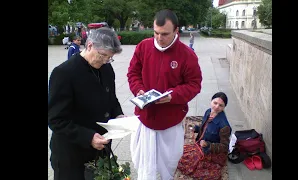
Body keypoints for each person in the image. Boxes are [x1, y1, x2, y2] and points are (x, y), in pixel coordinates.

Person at [127, 9, 202, 180]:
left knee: (168, 166)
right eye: (156, 33)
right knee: (144, 168)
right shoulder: (143, 46)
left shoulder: (187, 55)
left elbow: (194, 84)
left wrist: (172, 96)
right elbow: (133, 73)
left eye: (165, 34)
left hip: (170, 121)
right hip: (145, 118)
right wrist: (138, 89)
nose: (159, 38)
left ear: (176, 31)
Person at [48, 27, 125, 180]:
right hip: (71, 152)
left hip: (99, 149)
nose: (105, 61)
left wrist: (119, 114)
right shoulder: (64, 73)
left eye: (110, 58)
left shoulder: (107, 69)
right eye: (103, 55)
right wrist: (88, 137)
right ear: (90, 45)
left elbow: (111, 98)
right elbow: (55, 119)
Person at [177, 92, 232, 180]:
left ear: (224, 107)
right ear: (211, 101)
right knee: (180, 155)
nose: (217, 107)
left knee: (192, 166)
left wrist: (208, 145)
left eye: (221, 105)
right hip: (202, 143)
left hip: (212, 151)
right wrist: (197, 128)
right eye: (215, 103)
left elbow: (224, 147)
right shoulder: (208, 112)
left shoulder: (224, 126)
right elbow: (205, 127)